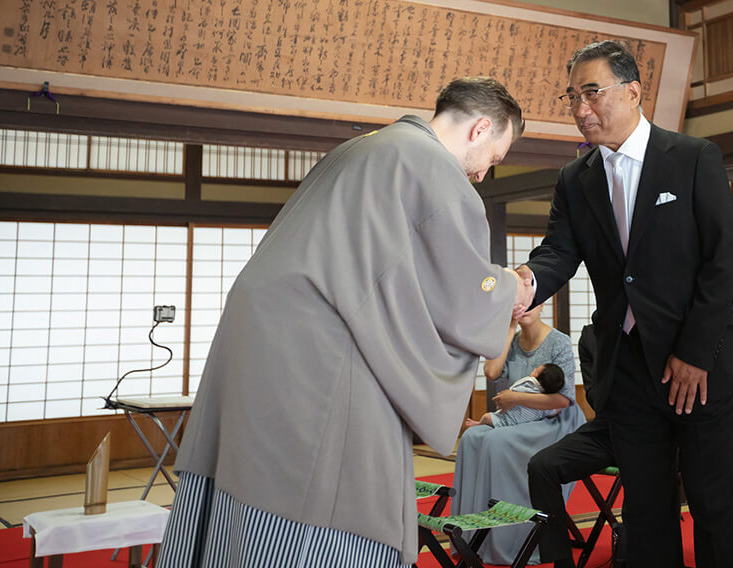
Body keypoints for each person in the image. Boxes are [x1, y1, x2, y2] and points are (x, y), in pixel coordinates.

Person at [157, 77, 533, 568]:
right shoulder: (433, 169)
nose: (483, 175)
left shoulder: (359, 149)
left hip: (263, 336)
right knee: (325, 489)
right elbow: (459, 294)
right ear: (481, 128)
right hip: (321, 353)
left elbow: (387, 274)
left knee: (245, 480)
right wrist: (510, 288)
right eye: (494, 158)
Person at [518, 40, 733, 568]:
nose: (581, 109)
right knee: (645, 513)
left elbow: (723, 260)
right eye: (572, 96)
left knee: (715, 509)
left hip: (702, 363)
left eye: (592, 93)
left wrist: (692, 351)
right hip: (628, 369)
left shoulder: (692, 158)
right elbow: (558, 252)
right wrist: (524, 283)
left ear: (633, 92)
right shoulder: (574, 180)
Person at [452, 299, 585, 564]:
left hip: (554, 422)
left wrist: (516, 399)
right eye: (515, 304)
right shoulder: (510, 341)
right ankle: (473, 537)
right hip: (519, 418)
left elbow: (561, 401)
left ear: (543, 304)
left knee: (496, 442)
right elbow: (491, 372)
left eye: (529, 303)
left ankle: (513, 539)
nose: (523, 308)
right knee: (470, 438)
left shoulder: (557, 342)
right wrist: (510, 327)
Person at [464, 362, 565, 429]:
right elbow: (554, 410)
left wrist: (508, 395)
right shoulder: (545, 404)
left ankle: (478, 424)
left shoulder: (528, 384)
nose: (534, 369)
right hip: (527, 425)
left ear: (537, 376)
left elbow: (512, 393)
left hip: (508, 420)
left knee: (486, 417)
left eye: (537, 369)